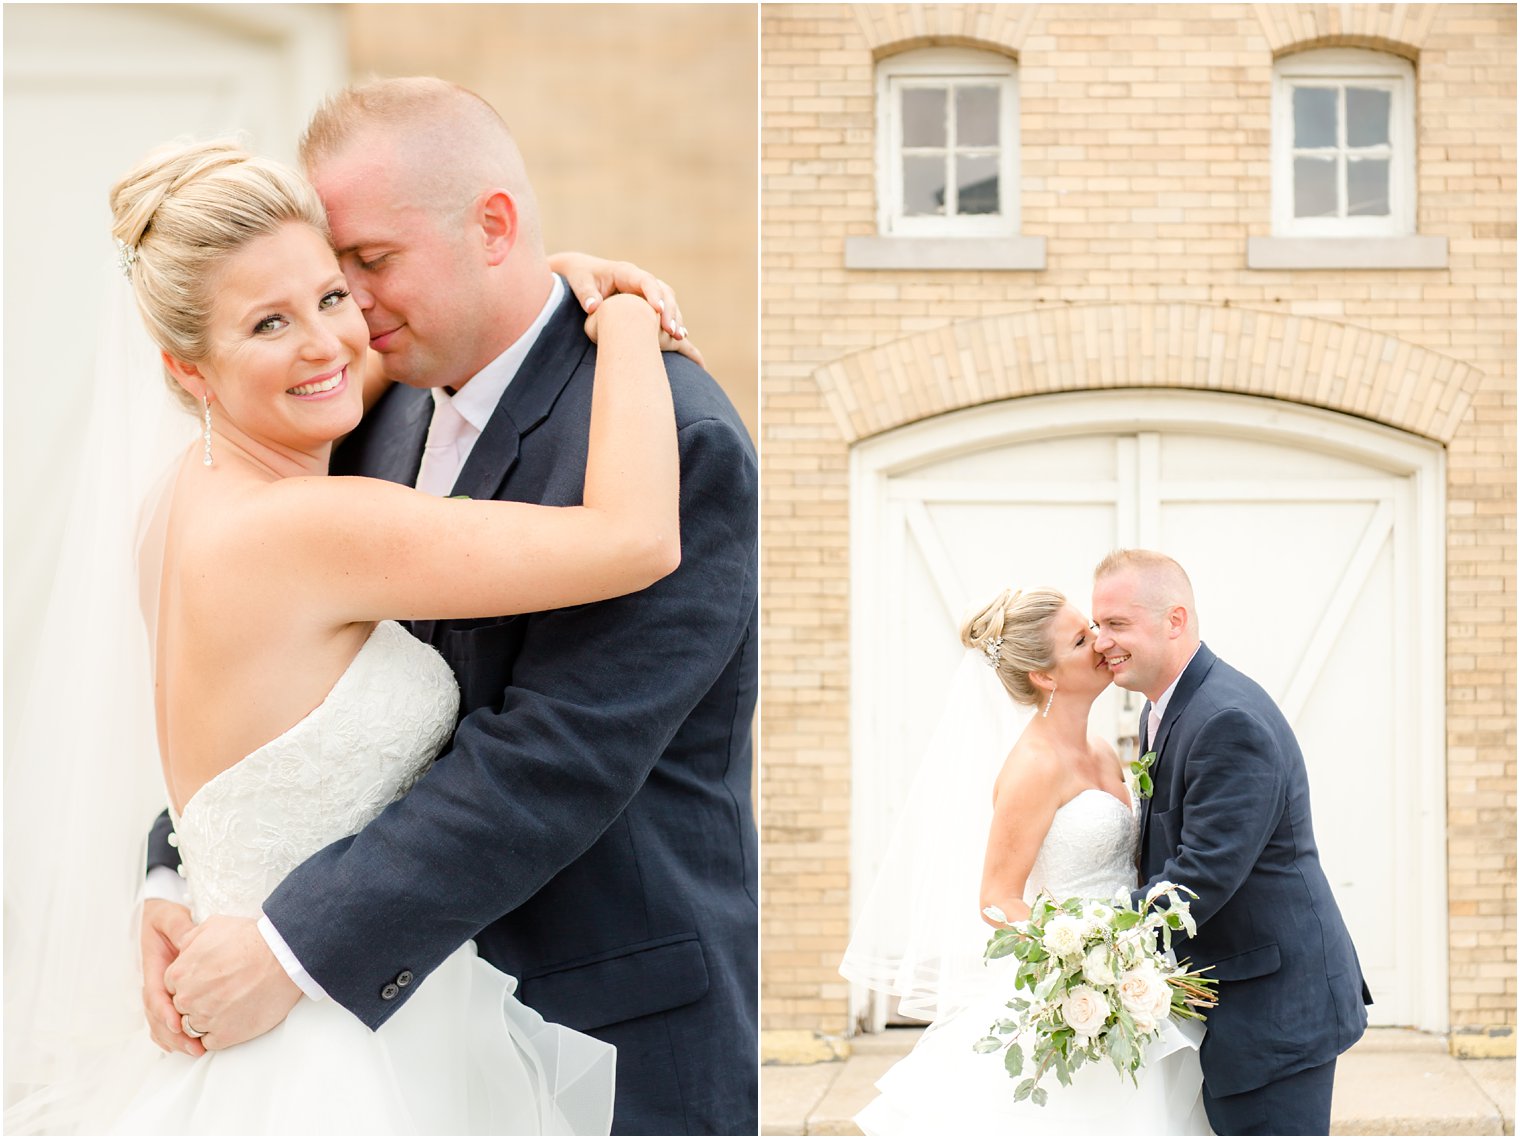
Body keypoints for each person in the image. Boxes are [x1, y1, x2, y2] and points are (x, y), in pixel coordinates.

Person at [8, 128, 689, 1133]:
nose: (327, 342)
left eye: (331, 295)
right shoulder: (310, 528)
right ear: (188, 369)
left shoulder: (175, 505)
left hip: (253, 993)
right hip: (333, 1047)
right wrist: (625, 316)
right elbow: (633, 539)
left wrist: (535, 288)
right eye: (269, 323)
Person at [843, 587, 1211, 1136]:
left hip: (1134, 978)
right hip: (1074, 986)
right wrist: (1082, 961)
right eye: (1082, 639)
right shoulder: (1034, 767)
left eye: (1095, 628)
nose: (1102, 643)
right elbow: (996, 899)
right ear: (1045, 676)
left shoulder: (1105, 752)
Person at [1092, 549, 1370, 1136]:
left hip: (1274, 1012)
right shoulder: (1160, 710)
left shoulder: (1226, 719)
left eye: (1117, 624)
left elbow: (1201, 877)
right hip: (1230, 997)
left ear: (1175, 619)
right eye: (1098, 625)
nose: (1101, 642)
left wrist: (1093, 943)